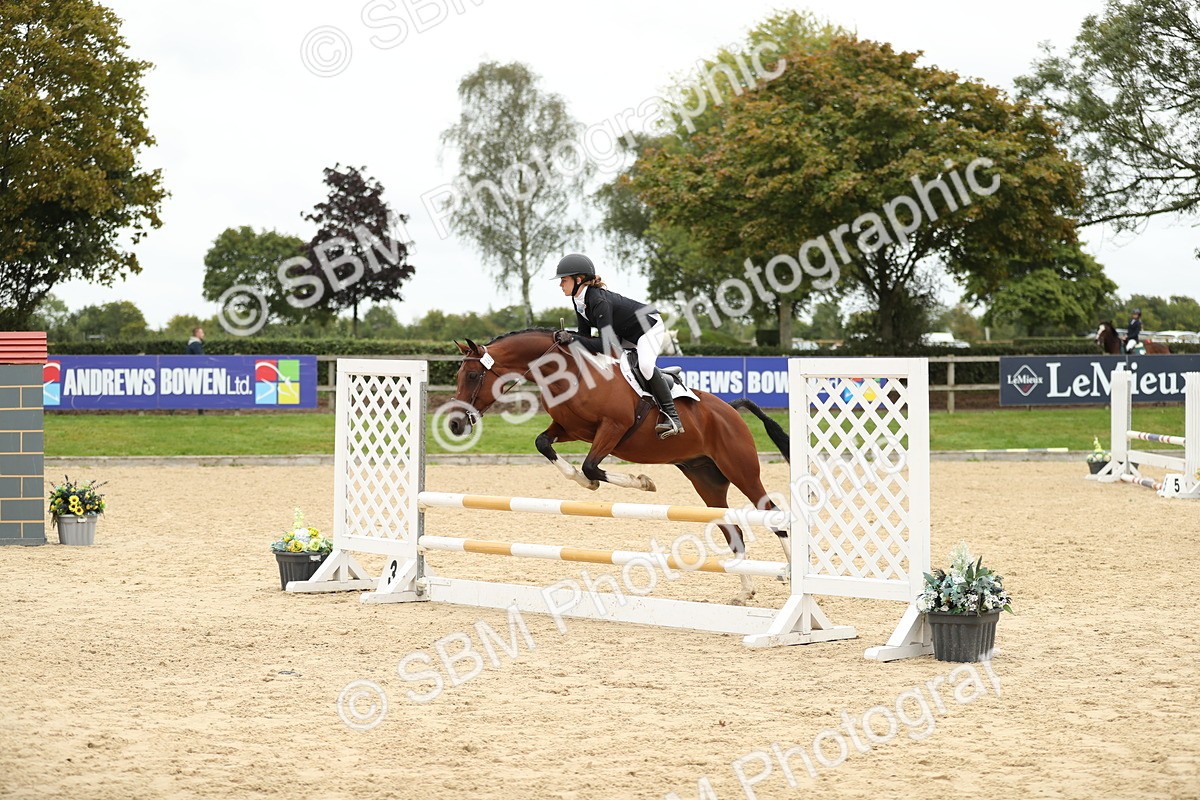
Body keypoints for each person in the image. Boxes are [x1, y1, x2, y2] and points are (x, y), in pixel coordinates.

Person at [550, 253, 684, 438]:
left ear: (578, 280)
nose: (560, 284)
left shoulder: (598, 301)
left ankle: (673, 417)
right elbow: (585, 337)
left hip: (648, 327)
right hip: (625, 332)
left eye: (563, 280)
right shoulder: (579, 300)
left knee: (644, 366)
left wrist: (572, 339)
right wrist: (570, 339)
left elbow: (605, 344)